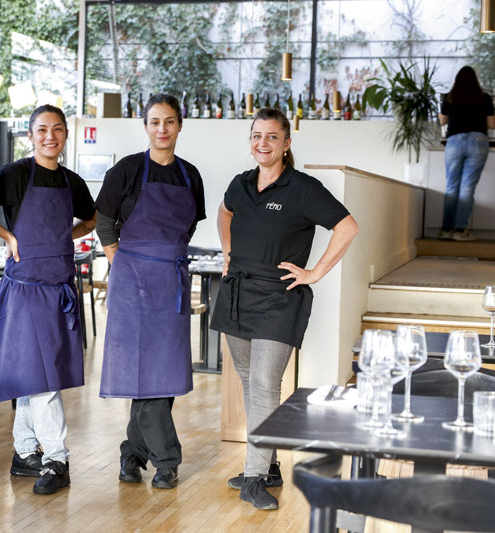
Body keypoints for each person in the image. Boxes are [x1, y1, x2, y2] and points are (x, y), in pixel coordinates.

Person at [210, 108, 358, 510]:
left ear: (287, 143)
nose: (263, 143)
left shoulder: (304, 188)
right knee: (248, 380)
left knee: (263, 385)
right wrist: (227, 250)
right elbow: (224, 213)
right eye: (257, 135)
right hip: (238, 291)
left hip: (279, 297)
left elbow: (347, 226)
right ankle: (269, 464)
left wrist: (315, 273)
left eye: (272, 137)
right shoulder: (240, 185)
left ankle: (255, 478)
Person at [0, 105, 97, 495]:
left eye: (57, 129)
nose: (50, 136)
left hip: (58, 287)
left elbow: (91, 219)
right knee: (39, 375)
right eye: (42, 129)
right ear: (30, 135)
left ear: (65, 136)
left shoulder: (72, 182)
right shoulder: (14, 174)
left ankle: (25, 452)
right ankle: (56, 458)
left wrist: (65, 237)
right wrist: (5, 236)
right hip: (24, 289)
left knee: (37, 374)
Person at [96, 94, 206, 490]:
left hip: (171, 282)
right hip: (132, 282)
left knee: (162, 373)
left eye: (170, 122)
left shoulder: (191, 175)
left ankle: (132, 453)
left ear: (179, 126)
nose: (163, 129)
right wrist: (121, 262)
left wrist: (162, 259)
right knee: (142, 371)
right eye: (155, 122)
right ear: (145, 126)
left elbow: (188, 228)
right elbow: (105, 222)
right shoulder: (126, 170)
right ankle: (166, 460)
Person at [438, 66, 495, 241]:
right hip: (478, 141)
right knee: (467, 187)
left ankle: (446, 229)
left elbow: (442, 120)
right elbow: (492, 124)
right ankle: (460, 231)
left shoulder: (450, 97)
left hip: (454, 141)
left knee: (451, 187)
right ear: (475, 80)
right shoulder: (484, 97)